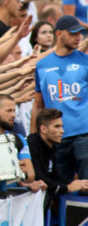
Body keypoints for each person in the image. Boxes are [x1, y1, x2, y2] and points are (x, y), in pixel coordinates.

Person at [32, 15, 88, 180]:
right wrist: (33, 138)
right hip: (55, 137)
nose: (78, 37)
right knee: (59, 189)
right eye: (72, 33)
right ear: (59, 34)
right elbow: (37, 105)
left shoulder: (85, 62)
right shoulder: (42, 65)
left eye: (80, 33)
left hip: (84, 134)